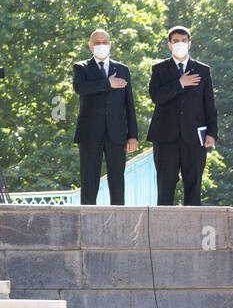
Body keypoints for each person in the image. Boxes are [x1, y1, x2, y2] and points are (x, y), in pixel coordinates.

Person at [147, 26, 217, 206]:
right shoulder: (159, 69)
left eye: (183, 40)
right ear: (169, 45)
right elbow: (156, 96)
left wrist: (212, 133)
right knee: (165, 187)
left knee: (193, 186)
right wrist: (180, 83)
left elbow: (209, 103)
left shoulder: (202, 70)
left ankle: (192, 230)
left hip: (194, 137)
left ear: (190, 43)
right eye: (176, 41)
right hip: (165, 137)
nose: (180, 44)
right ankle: (162, 229)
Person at [71, 29, 139, 205]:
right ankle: (86, 220)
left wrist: (132, 135)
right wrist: (108, 83)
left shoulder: (122, 69)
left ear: (110, 44)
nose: (101, 45)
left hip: (116, 134)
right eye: (96, 42)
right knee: (89, 181)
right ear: (90, 45)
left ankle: (119, 220)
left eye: (104, 42)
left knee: (117, 181)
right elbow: (81, 88)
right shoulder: (81, 68)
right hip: (89, 133)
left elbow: (129, 104)